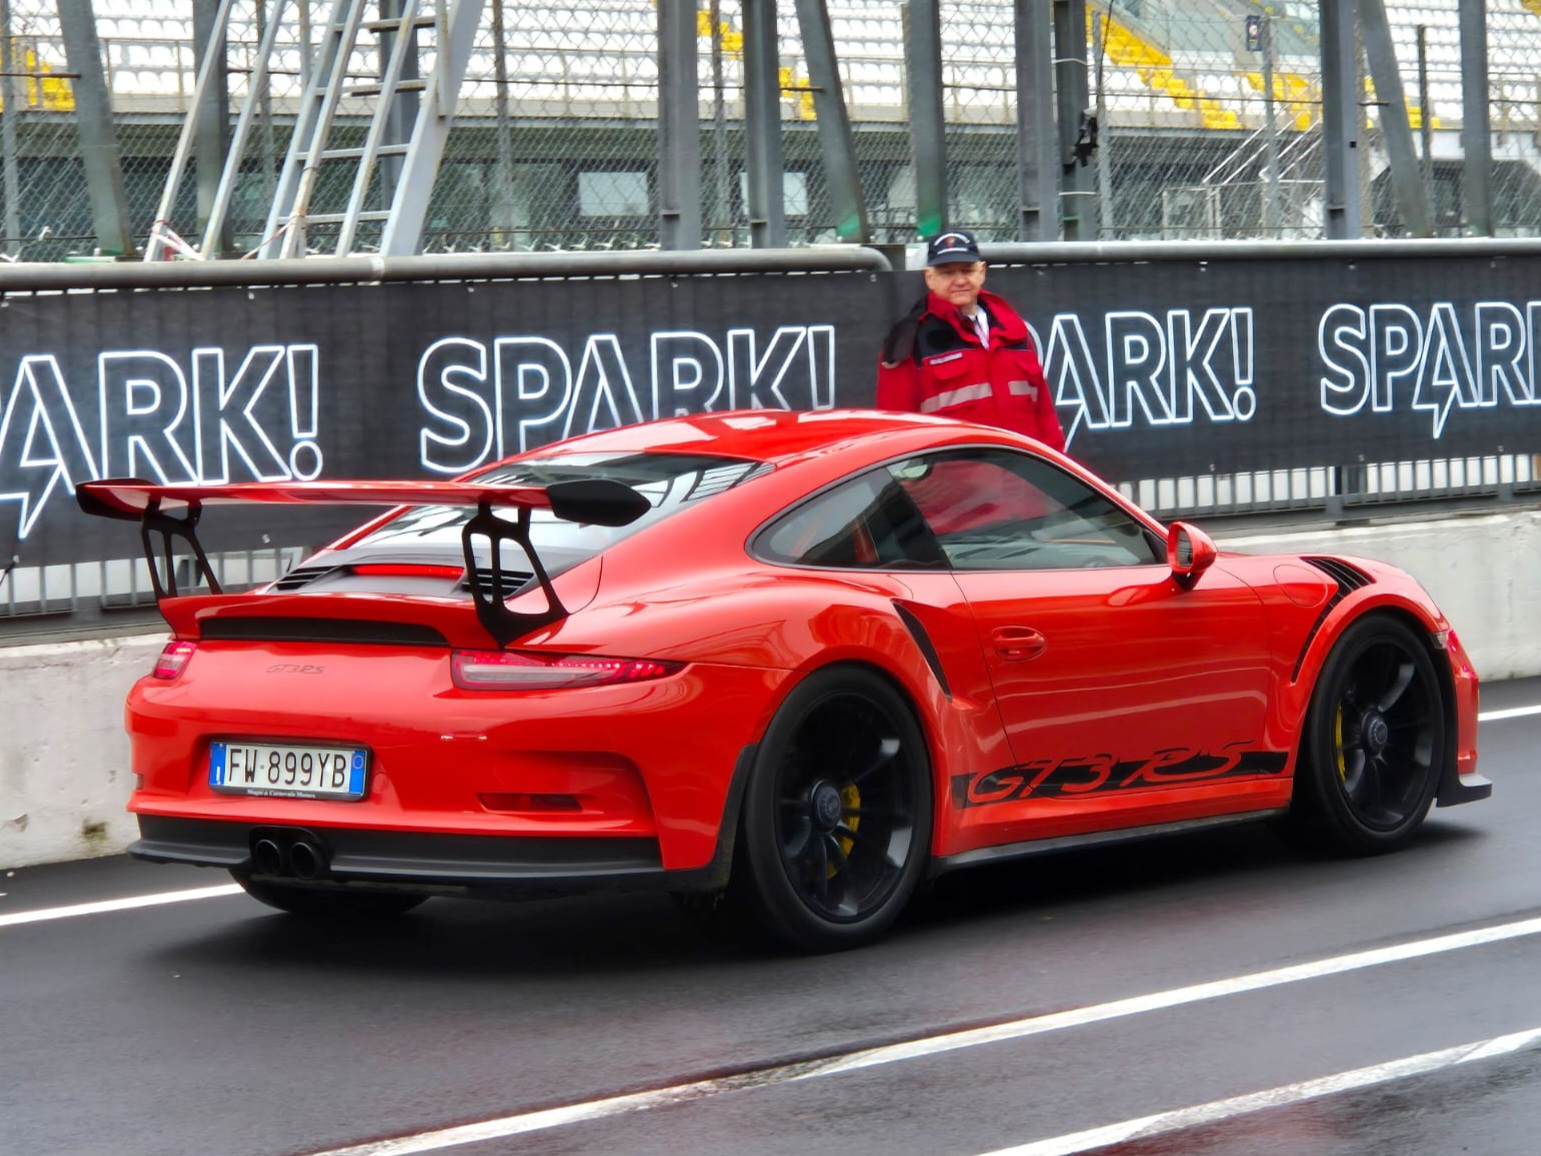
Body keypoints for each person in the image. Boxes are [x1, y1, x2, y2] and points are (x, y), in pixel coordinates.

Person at [877, 229, 1066, 453]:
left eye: (967, 270)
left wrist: (1055, 466)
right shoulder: (907, 341)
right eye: (947, 273)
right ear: (930, 278)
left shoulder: (1014, 330)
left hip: (1023, 479)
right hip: (953, 484)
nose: (959, 280)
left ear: (981, 272)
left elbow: (1044, 413)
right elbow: (896, 432)